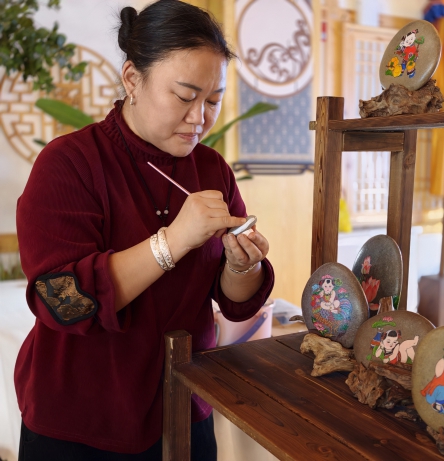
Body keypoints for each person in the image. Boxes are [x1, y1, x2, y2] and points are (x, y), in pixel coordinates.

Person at [14, 1, 274, 460]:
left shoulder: (211, 169)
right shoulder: (68, 163)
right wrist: (174, 240)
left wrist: (241, 266)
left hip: (185, 407)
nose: (200, 117)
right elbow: (63, 300)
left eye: (213, 100)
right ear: (133, 79)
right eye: (185, 96)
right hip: (80, 420)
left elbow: (233, 299)